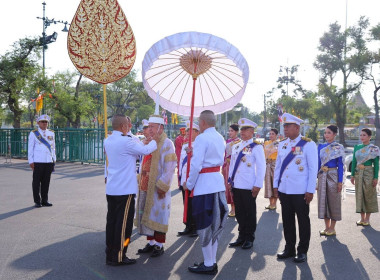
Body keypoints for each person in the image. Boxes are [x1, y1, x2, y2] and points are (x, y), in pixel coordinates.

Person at [104, 115, 158, 266]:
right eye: (128, 125)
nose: (129, 127)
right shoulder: (126, 141)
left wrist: (142, 142)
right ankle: (119, 256)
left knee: (112, 222)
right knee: (123, 225)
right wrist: (154, 138)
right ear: (123, 127)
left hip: (113, 188)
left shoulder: (108, 140)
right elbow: (146, 150)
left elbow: (133, 150)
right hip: (125, 190)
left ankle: (110, 252)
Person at [183, 110, 228, 275]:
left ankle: (209, 263)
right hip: (217, 182)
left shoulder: (202, 138)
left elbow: (196, 166)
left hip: (204, 186)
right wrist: (192, 152)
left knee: (204, 225)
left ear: (202, 122)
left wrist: (188, 184)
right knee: (215, 225)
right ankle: (211, 261)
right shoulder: (220, 137)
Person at [273, 113, 318, 263]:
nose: (285, 129)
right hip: (285, 189)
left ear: (297, 128)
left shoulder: (308, 144)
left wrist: (310, 190)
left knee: (303, 221)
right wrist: (275, 186)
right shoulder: (282, 144)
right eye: (284, 126)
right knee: (287, 220)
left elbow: (313, 169)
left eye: (288, 126)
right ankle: (289, 248)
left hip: (300, 190)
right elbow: (278, 166)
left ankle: (302, 251)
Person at [135, 112, 177, 258]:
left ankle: (159, 245)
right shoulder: (149, 141)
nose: (149, 129)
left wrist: (163, 186)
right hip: (145, 185)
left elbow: (170, 167)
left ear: (160, 127)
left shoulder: (167, 143)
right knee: (146, 215)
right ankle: (151, 242)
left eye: (152, 127)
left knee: (158, 215)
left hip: (157, 187)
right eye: (149, 127)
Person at [227, 118, 265, 250]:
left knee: (249, 212)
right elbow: (232, 165)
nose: (242, 132)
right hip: (236, 184)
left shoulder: (256, 146)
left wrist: (258, 185)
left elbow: (261, 167)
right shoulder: (236, 145)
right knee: (240, 213)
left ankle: (249, 238)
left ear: (252, 131)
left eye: (245, 129)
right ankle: (241, 236)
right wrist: (229, 180)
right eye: (241, 129)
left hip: (249, 185)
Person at [317, 125, 345, 236]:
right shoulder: (320, 146)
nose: (326, 135)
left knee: (334, 201)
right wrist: (316, 179)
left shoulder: (338, 147)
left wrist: (340, 182)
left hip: (333, 175)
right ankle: (326, 227)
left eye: (329, 132)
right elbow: (318, 163)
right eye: (325, 132)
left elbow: (341, 165)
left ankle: (332, 228)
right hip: (322, 175)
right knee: (323, 200)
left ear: (334, 134)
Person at [350, 128, 379, 226]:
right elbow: (354, 161)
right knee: (359, 195)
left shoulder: (373, 148)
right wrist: (352, 175)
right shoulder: (357, 147)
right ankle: (362, 218)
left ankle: (367, 219)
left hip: (368, 173)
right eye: (361, 135)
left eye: (364, 135)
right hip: (358, 173)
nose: (362, 137)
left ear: (370, 137)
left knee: (368, 195)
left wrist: (375, 177)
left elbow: (376, 164)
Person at [28, 114, 56, 208]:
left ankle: (45, 200)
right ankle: (37, 201)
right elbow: (30, 148)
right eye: (42, 122)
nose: (44, 124)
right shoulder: (34, 133)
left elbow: (53, 148)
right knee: (36, 182)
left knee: (46, 182)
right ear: (38, 123)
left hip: (48, 161)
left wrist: (54, 160)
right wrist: (31, 161)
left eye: (46, 122)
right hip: (38, 161)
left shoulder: (51, 133)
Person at [178, 121, 200, 237]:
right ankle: (188, 225)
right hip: (185, 179)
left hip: (194, 179)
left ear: (196, 132)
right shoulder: (185, 145)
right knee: (186, 203)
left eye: (190, 130)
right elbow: (182, 163)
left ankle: (195, 227)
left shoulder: (199, 145)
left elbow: (197, 163)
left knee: (194, 203)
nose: (187, 133)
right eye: (187, 131)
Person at [222, 124, 240, 217]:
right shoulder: (227, 141)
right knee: (227, 187)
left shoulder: (239, 142)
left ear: (236, 132)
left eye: (232, 131)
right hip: (226, 166)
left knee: (233, 186)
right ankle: (231, 207)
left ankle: (235, 208)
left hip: (234, 167)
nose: (230, 133)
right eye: (229, 131)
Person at [264, 128, 279, 210]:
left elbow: (273, 151)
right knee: (268, 183)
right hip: (267, 164)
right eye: (270, 134)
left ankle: (274, 203)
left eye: (273, 134)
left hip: (274, 164)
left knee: (274, 182)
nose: (271, 135)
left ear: (276, 135)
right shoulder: (266, 143)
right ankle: (270, 203)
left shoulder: (278, 143)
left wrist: (269, 150)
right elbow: (265, 152)